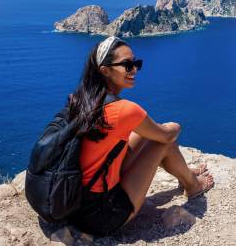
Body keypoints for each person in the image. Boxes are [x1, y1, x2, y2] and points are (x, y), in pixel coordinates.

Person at [67, 36, 214, 236]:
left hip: (75, 201)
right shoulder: (124, 110)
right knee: (164, 142)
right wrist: (174, 126)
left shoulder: (79, 99)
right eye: (127, 65)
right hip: (102, 215)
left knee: (148, 134)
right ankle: (193, 186)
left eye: (136, 63)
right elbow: (166, 136)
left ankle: (185, 174)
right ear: (105, 70)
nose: (134, 70)